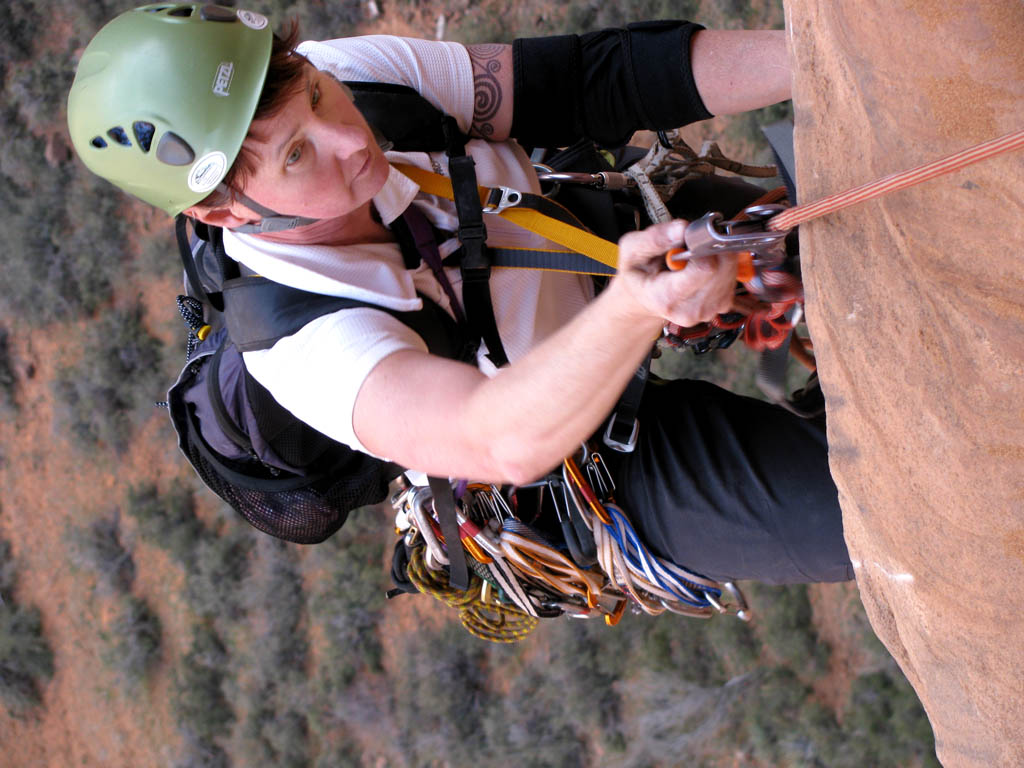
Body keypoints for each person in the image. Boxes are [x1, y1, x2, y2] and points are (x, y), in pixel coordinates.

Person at [67, 4, 852, 586]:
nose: (350, 138)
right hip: (586, 458)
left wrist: (827, 50)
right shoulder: (300, 346)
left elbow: (585, 82)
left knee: (871, 214)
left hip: (595, 240)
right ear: (224, 212)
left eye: (313, 94)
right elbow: (497, 436)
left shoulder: (357, 73)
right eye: (298, 154)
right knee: (862, 517)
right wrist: (637, 308)